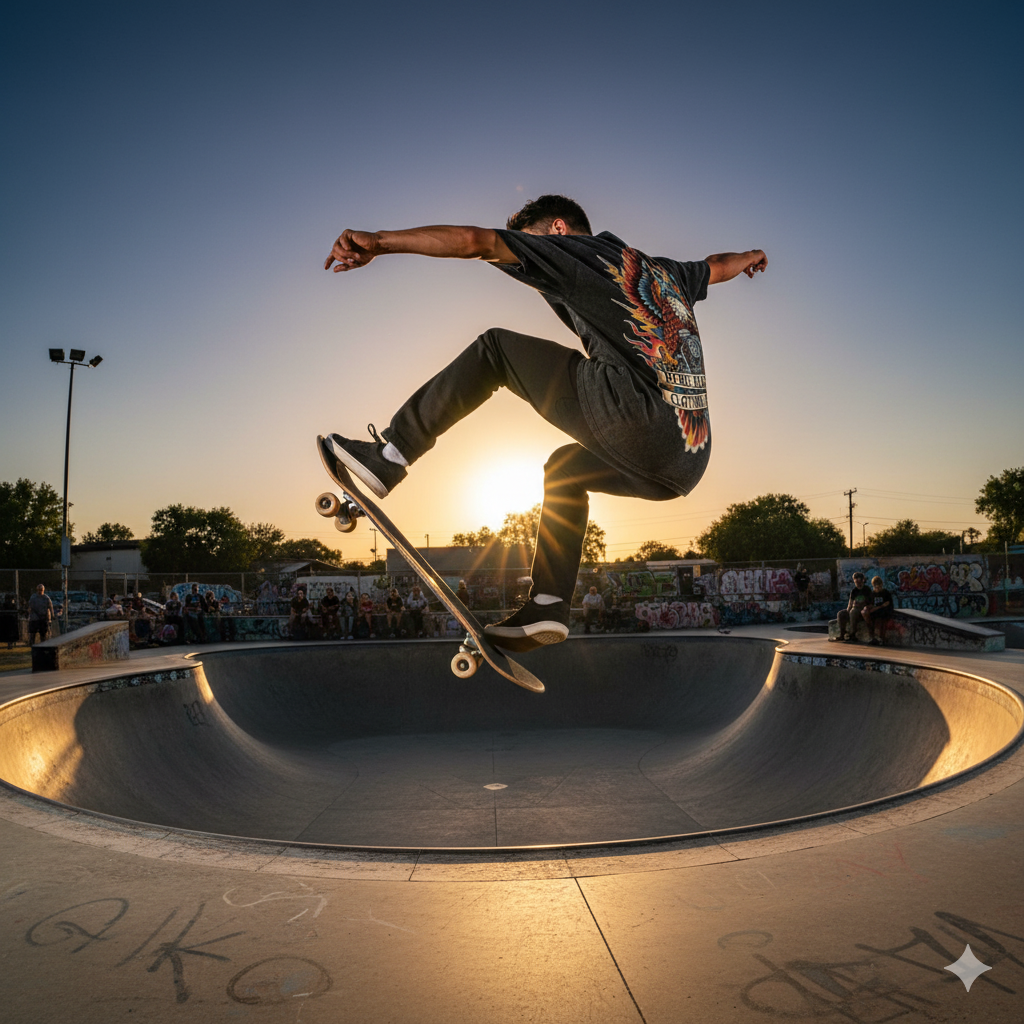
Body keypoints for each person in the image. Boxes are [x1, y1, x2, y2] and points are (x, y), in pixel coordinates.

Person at [322, 194, 767, 653]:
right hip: (688, 457)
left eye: (529, 242)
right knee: (564, 471)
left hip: (634, 418)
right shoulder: (664, 272)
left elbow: (477, 242)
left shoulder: (576, 251)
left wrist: (379, 241)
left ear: (557, 229)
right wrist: (751, 256)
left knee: (495, 349)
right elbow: (717, 265)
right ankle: (549, 605)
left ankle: (391, 455)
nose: (528, 261)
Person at [833, 572, 872, 642]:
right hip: (854, 609)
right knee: (841, 613)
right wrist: (847, 610)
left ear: (862, 580)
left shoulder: (867, 590)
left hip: (862, 610)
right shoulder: (854, 591)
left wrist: (861, 605)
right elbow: (850, 603)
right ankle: (842, 634)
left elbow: (870, 602)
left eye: (858, 580)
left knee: (853, 612)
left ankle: (852, 634)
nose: (856, 582)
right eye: (855, 581)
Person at [862, 576, 894, 645]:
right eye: (876, 587)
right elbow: (869, 605)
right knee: (870, 619)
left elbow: (888, 604)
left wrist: (878, 607)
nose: (878, 589)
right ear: (874, 586)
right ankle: (872, 637)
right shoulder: (872, 594)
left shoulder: (885, 593)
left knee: (882, 618)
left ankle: (882, 637)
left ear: (881, 585)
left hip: (885, 611)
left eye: (879, 587)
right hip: (875, 612)